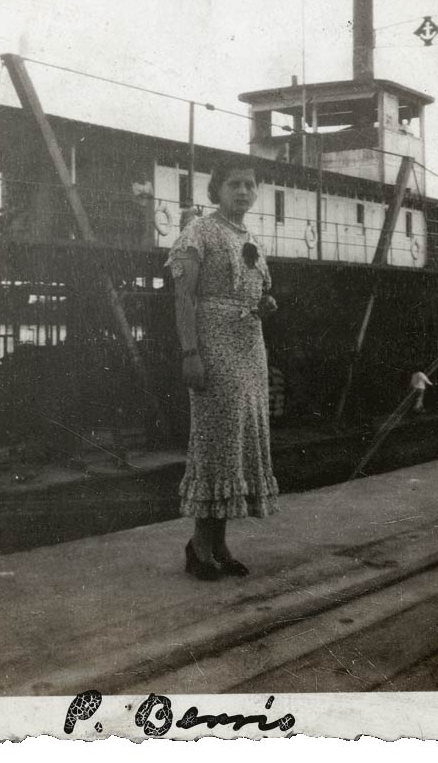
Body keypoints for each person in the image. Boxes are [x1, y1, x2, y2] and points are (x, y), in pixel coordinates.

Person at [165, 159, 279, 580]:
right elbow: (184, 298)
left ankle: (219, 545)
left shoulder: (250, 237)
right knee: (216, 439)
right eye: (235, 184)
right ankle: (199, 545)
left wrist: (264, 303)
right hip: (213, 344)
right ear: (217, 190)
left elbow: (255, 289)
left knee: (238, 440)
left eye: (250, 185)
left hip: (250, 346)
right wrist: (190, 353)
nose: (243, 191)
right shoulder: (199, 232)